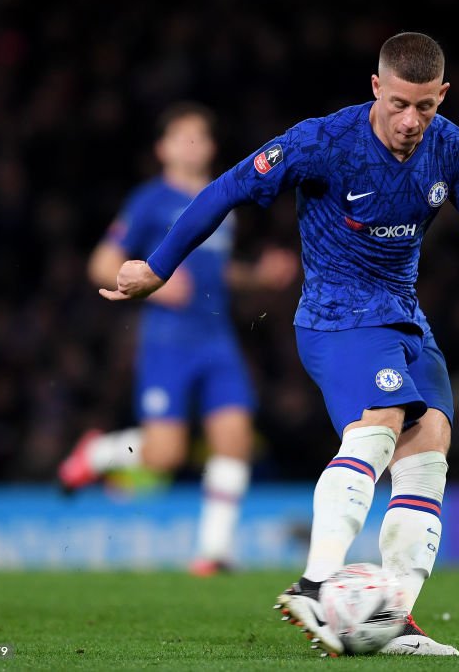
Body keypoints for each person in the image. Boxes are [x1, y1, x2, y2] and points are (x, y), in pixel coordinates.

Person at [98, 32, 459, 655]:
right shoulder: (322, 142)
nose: (410, 121)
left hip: (404, 316)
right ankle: (317, 583)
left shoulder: (457, 149)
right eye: (399, 103)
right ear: (376, 87)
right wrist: (158, 268)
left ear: (442, 97)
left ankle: (390, 617)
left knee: (429, 448)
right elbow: (225, 190)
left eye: (424, 107)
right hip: (336, 314)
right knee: (380, 421)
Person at [59, 102, 298, 576]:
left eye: (200, 136)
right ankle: (97, 454)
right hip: (168, 340)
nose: (192, 144)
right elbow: (100, 263)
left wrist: (258, 277)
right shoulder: (150, 199)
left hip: (217, 339)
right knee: (164, 454)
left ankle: (213, 553)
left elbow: (217, 271)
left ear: (211, 148)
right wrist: (155, 288)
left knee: (234, 439)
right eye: (181, 136)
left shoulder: (222, 204)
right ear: (162, 148)